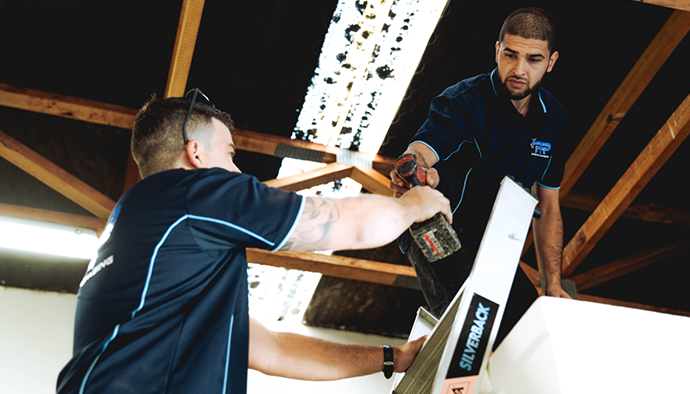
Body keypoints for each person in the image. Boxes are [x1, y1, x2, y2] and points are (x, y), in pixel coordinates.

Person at [56, 92, 454, 393]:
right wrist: (414, 206)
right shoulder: (190, 195)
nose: (236, 170)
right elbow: (345, 226)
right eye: (229, 154)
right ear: (195, 153)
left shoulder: (154, 237)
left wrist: (393, 358)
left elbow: (275, 350)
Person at [389, 7, 572, 348]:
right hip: (439, 229)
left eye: (533, 59)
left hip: (496, 242)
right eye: (510, 55)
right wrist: (414, 167)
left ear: (551, 62)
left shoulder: (555, 120)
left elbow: (548, 205)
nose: (519, 70)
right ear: (497, 50)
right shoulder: (463, 101)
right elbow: (424, 149)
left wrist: (553, 284)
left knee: (528, 338)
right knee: (472, 334)